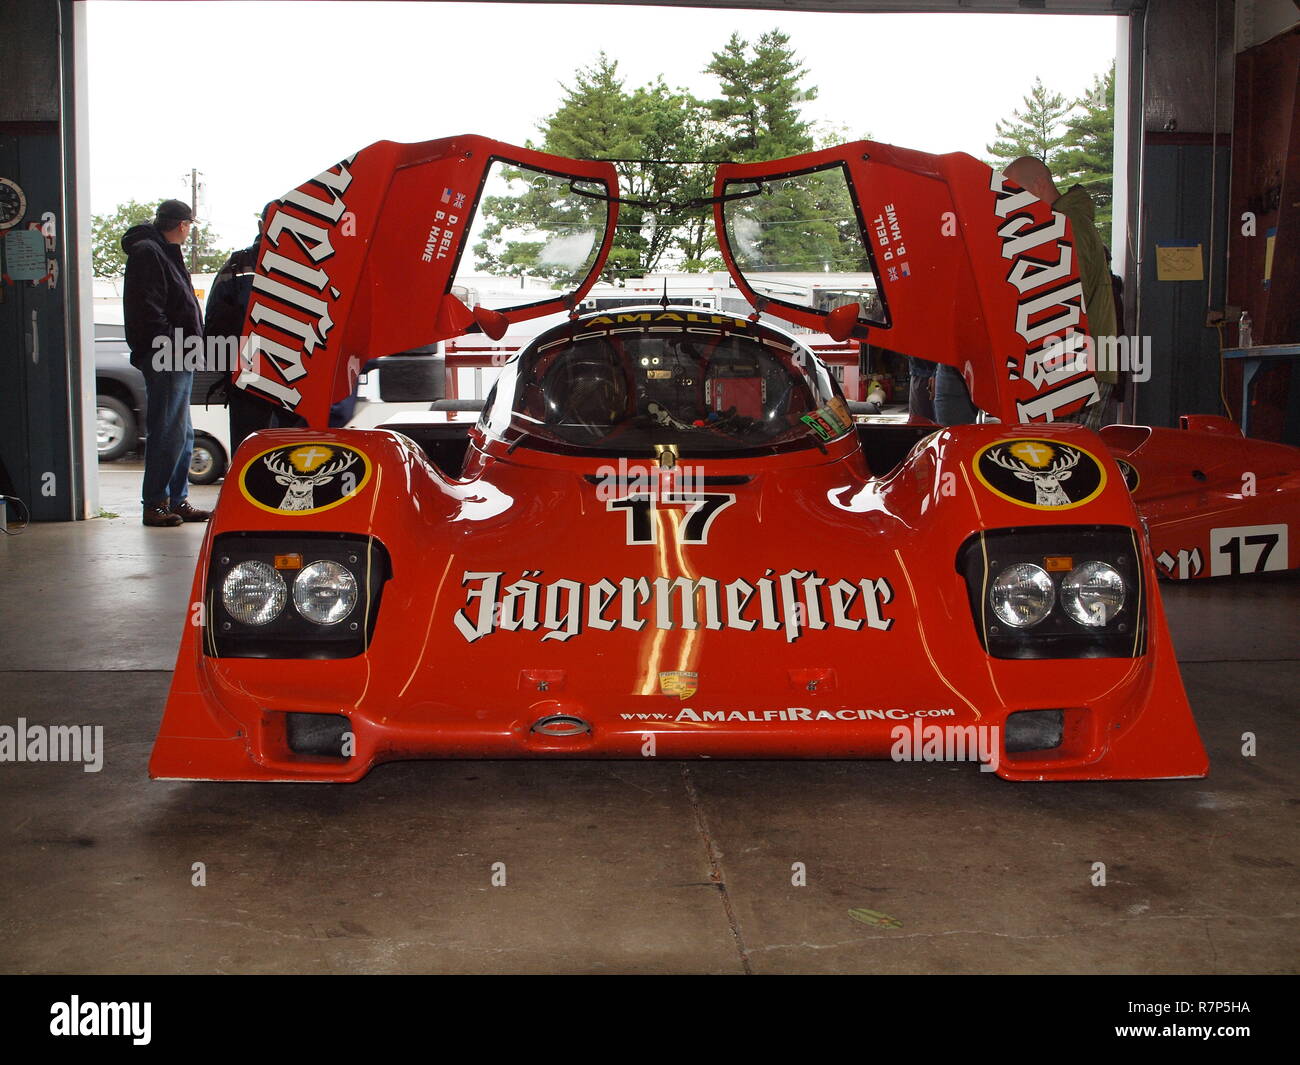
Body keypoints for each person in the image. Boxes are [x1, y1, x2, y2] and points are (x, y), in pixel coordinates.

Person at [1002, 157, 1118, 429]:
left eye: (1015, 192)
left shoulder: (1065, 225)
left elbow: (1066, 299)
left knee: (1063, 460)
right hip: (1078, 364)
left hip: (1075, 370)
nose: (1010, 203)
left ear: (1039, 185)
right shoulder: (1068, 222)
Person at [122, 199, 211, 526]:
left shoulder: (163, 252)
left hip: (177, 353)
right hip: (167, 354)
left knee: (182, 433)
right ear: (182, 225)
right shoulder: (150, 253)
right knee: (166, 431)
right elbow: (148, 309)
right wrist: (171, 345)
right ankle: (156, 503)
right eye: (189, 226)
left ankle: (177, 499)